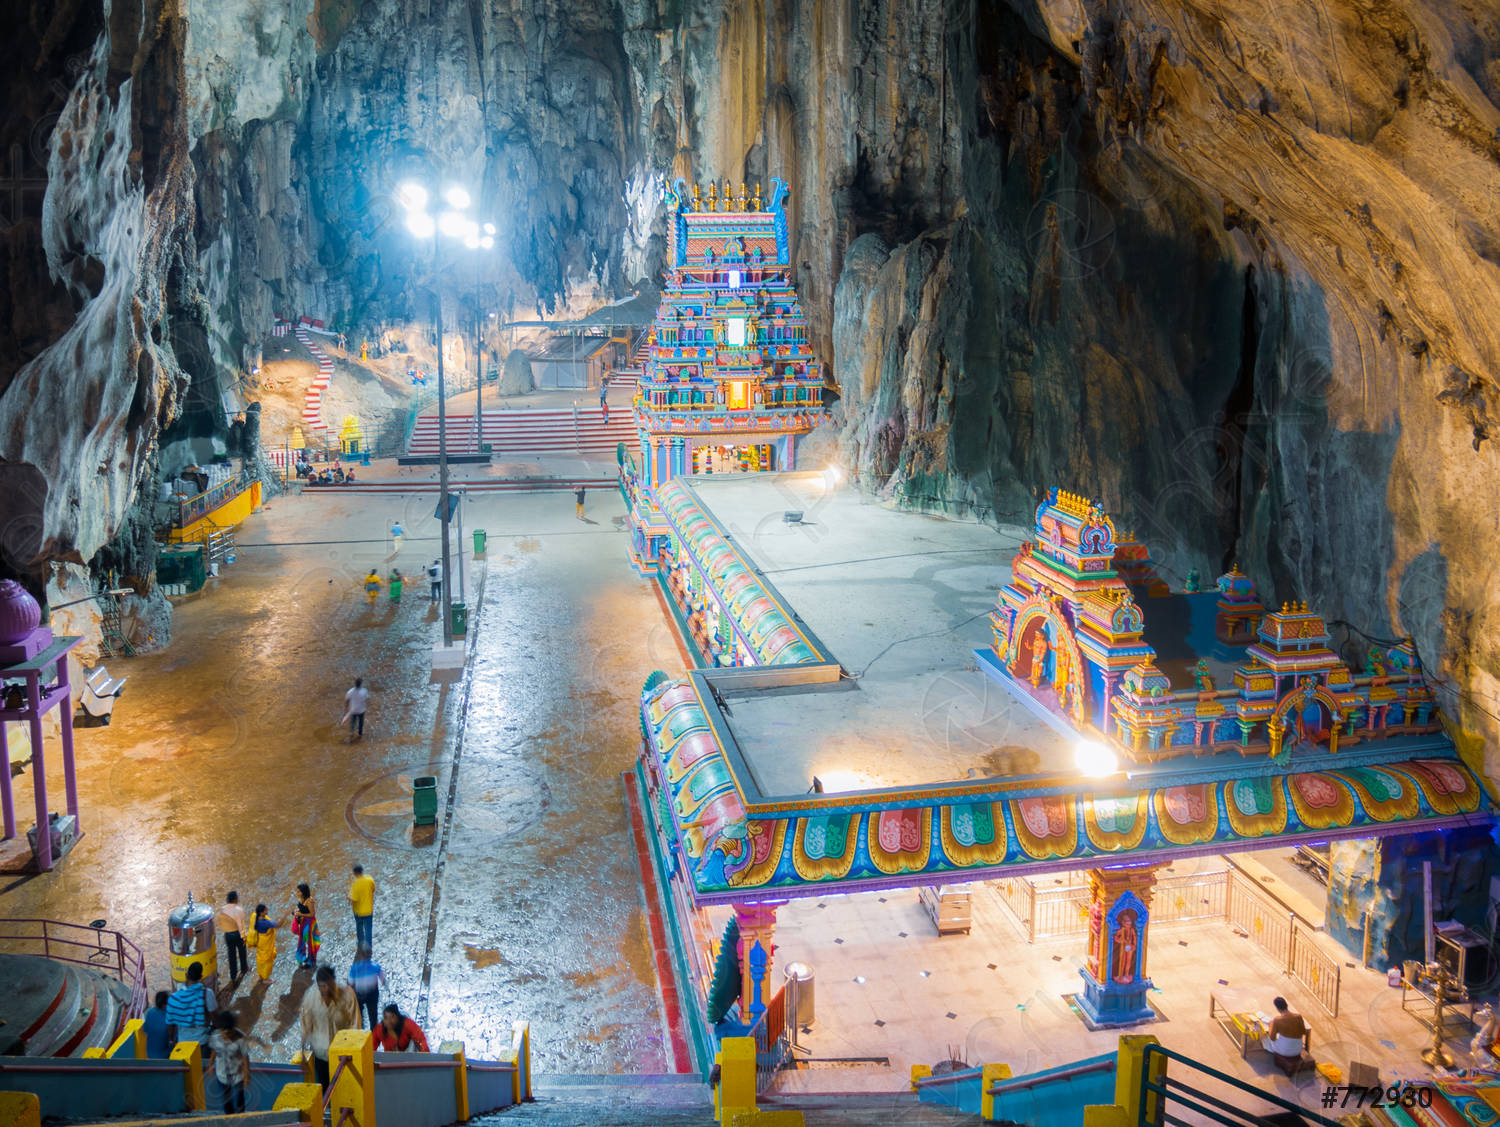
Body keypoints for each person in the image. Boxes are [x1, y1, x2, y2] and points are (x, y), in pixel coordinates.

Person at [300, 966, 359, 1088]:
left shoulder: (348, 995)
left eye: (327, 986)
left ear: (334, 981)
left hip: (343, 1055)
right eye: (321, 986)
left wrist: (353, 1050)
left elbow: (355, 1023)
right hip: (321, 1055)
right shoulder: (311, 998)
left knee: (345, 1089)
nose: (324, 990)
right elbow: (305, 1025)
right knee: (325, 1089)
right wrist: (302, 1053)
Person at [165, 962, 215, 1047]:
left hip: (183, 1044)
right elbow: (214, 1018)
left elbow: (170, 1025)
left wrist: (172, 1040)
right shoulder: (207, 994)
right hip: (202, 1042)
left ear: (186, 975)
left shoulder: (174, 999)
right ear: (200, 977)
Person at [209, 1011, 251, 1114]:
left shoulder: (240, 1038)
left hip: (238, 1074)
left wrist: (246, 1075)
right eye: (224, 1032)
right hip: (222, 1073)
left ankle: (241, 1120)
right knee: (226, 1101)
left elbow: (245, 1057)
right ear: (220, 1029)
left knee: (239, 1101)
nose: (227, 1035)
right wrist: (210, 1065)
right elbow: (214, 1050)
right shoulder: (215, 1036)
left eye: (229, 1032)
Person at [349, 944, 385, 1031]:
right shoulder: (375, 966)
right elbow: (383, 980)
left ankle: (361, 1031)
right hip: (372, 993)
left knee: (359, 1015)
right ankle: (374, 1033)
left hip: (359, 994)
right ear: (371, 954)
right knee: (373, 1015)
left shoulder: (354, 968)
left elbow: (350, 983)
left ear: (360, 955)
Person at [216, 891, 248, 981]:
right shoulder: (238, 910)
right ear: (235, 899)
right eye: (237, 897)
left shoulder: (222, 909)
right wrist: (244, 936)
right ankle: (244, 968)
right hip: (237, 934)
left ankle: (233, 975)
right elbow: (240, 925)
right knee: (242, 952)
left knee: (231, 955)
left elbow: (220, 922)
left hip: (228, 935)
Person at [250, 903, 282, 983]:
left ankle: (261, 976)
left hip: (261, 943)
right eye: (265, 910)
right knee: (267, 962)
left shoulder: (256, 918)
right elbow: (278, 925)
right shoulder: (265, 923)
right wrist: (285, 916)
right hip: (266, 945)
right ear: (261, 912)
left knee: (261, 959)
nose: (267, 910)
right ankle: (266, 979)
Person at [293, 883, 320, 968]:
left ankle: (311, 961)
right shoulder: (301, 899)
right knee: (302, 939)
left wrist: (300, 913)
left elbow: (312, 914)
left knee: (310, 941)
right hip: (304, 922)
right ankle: (302, 957)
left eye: (298, 891)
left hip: (310, 923)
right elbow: (302, 909)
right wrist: (297, 912)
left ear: (303, 892)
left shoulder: (309, 900)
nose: (296, 893)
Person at [349, 864, 375, 950]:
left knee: (359, 926)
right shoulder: (369, 879)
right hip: (368, 910)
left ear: (355, 873)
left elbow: (353, 899)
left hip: (358, 911)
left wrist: (349, 899)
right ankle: (368, 947)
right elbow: (373, 889)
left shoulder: (355, 884)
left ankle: (360, 943)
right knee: (368, 929)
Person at [142, 990, 172, 1058]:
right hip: (165, 1055)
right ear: (164, 1005)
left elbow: (145, 1030)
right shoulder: (169, 1016)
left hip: (150, 1055)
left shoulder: (150, 1012)